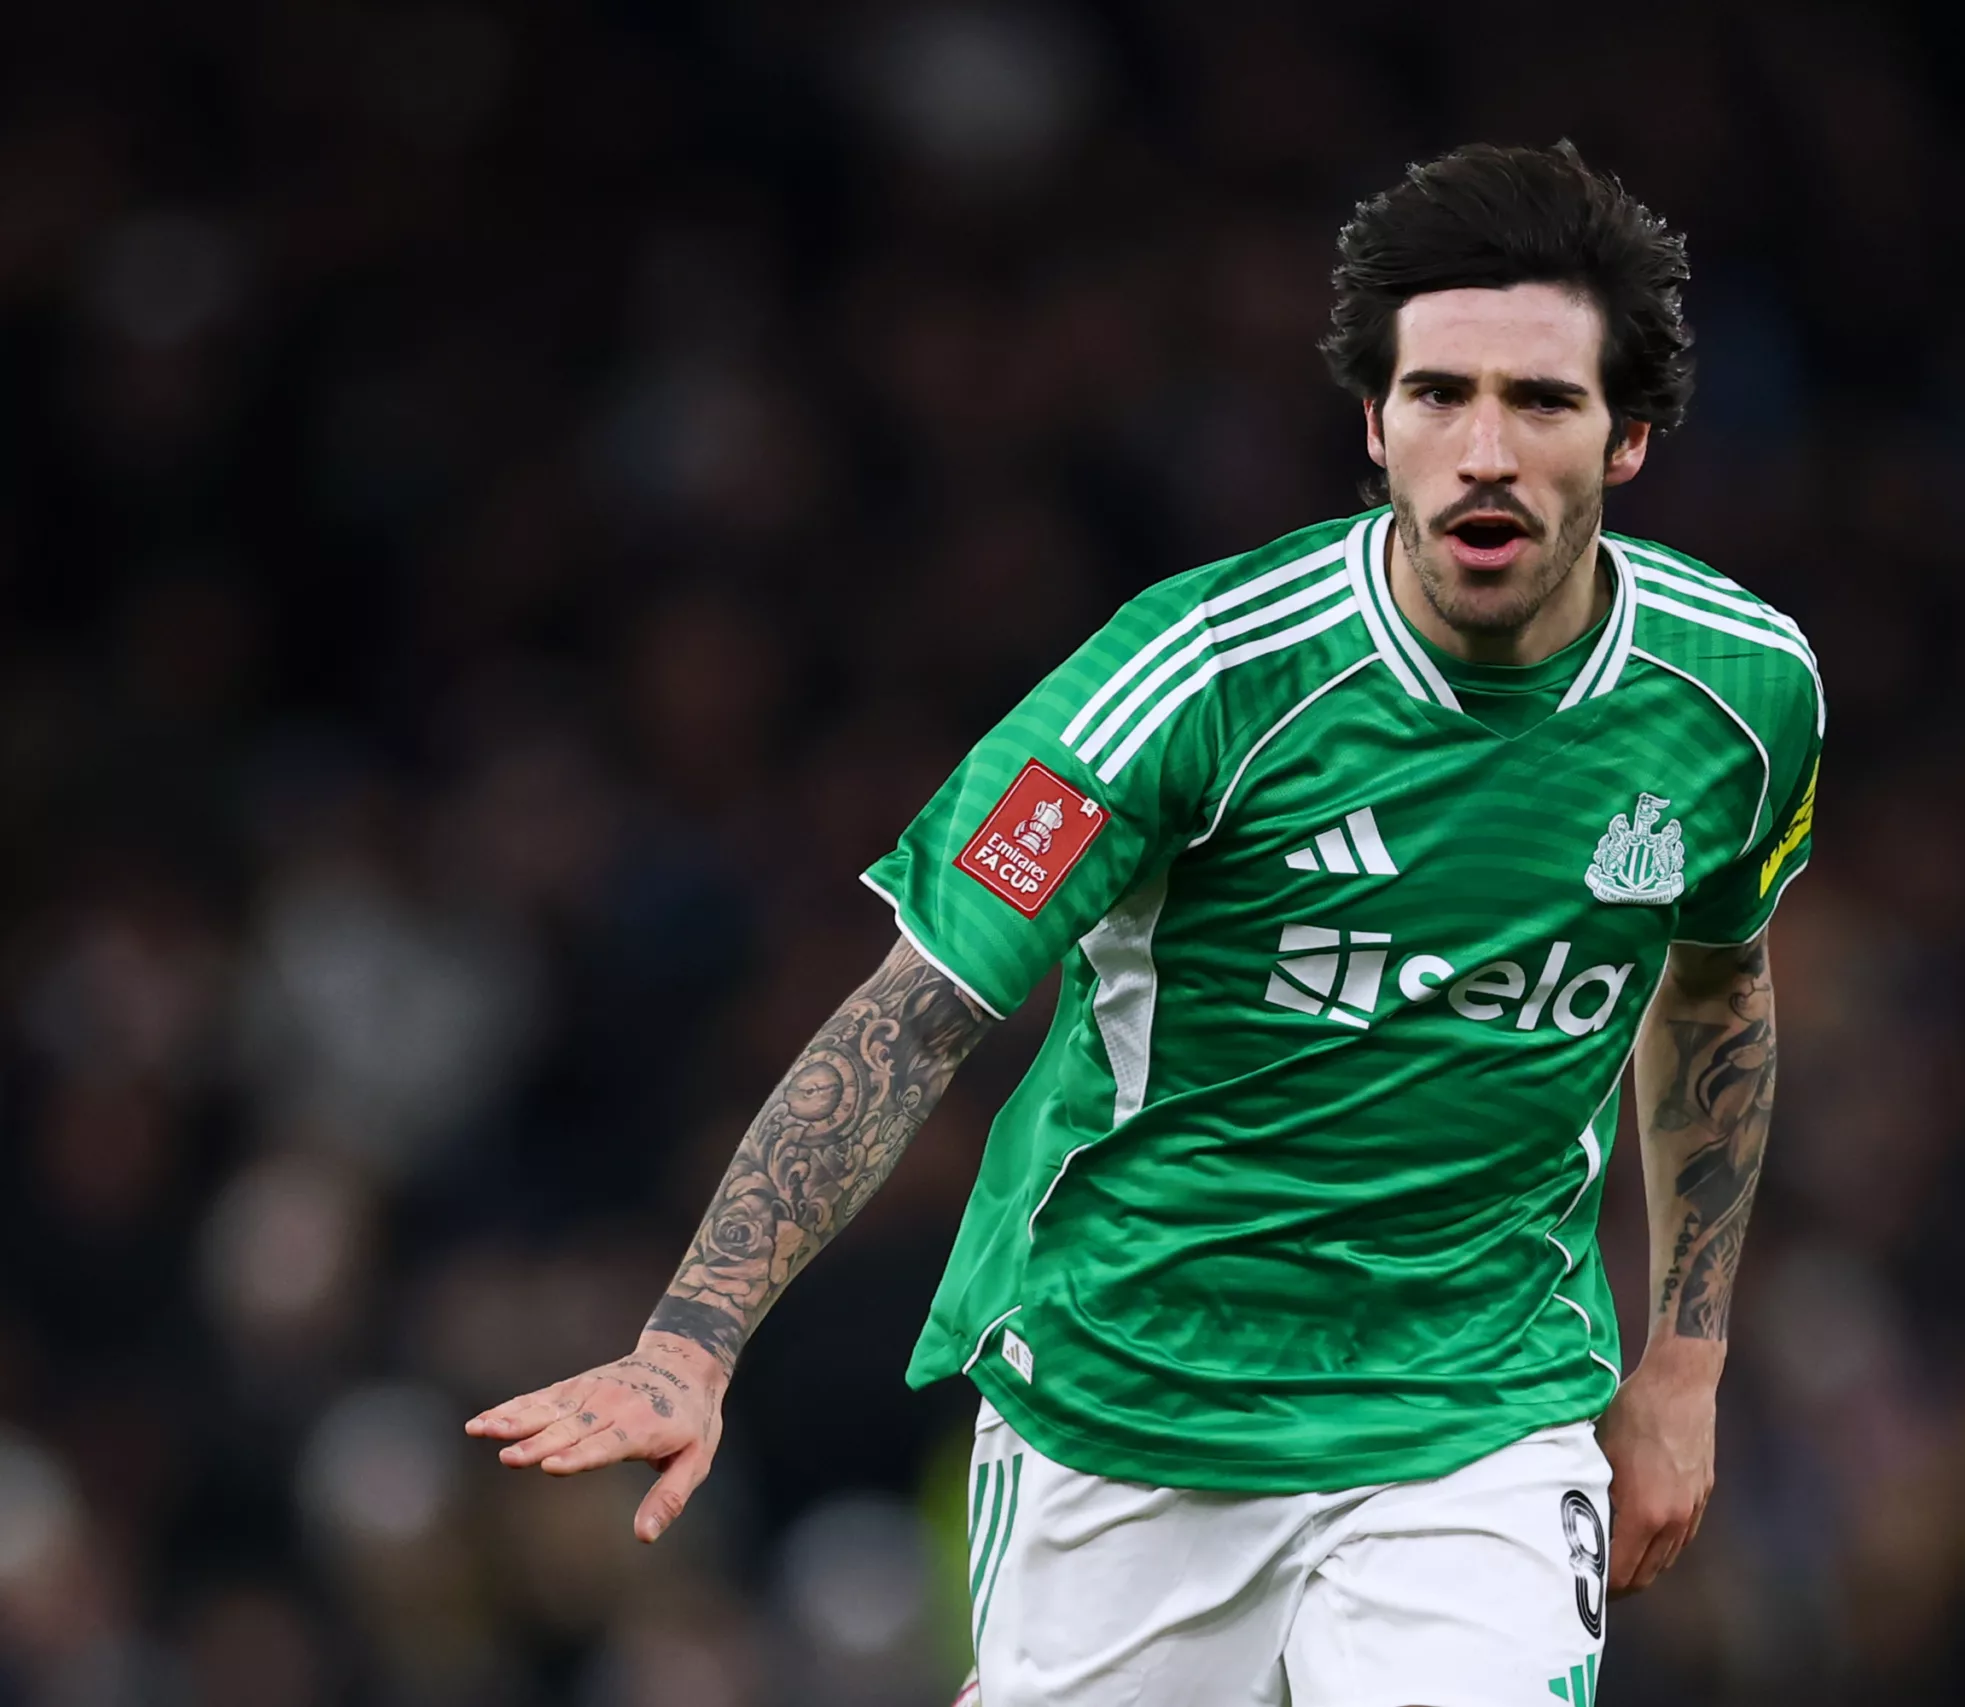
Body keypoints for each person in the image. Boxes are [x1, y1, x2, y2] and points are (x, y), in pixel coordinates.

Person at [467, 140, 1822, 1706]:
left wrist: (1685, 1363)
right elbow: (918, 1009)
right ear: (1373, 422)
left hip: (1480, 1414)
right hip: (1132, 1407)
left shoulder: (1741, 695)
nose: (1484, 449)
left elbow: (1715, 987)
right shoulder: (1196, 674)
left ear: (1628, 436)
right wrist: (692, 1339)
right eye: (1439, 394)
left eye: (1542, 401)